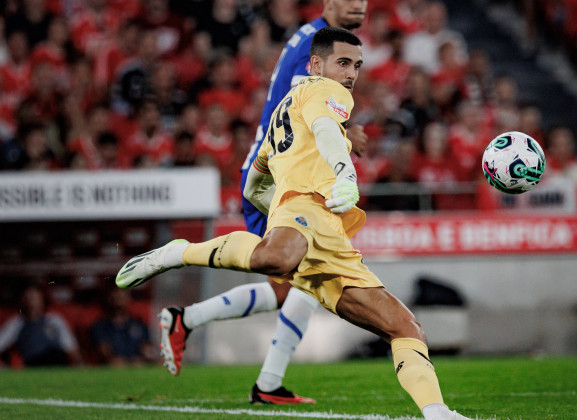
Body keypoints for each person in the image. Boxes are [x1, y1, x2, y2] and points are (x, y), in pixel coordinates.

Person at [117, 27, 472, 420]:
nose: (351, 73)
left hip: (330, 238)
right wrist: (345, 175)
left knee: (405, 327)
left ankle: (438, 412)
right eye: (342, 63)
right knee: (276, 259)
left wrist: (276, 206)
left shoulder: (286, 109)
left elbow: (254, 183)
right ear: (316, 64)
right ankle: (178, 252)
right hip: (307, 212)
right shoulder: (325, 92)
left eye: (356, 65)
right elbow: (325, 131)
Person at [154, 0, 369, 406]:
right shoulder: (311, 45)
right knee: (309, 275)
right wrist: (347, 132)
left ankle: (191, 323)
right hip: (276, 174)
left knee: (294, 284)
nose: (358, 4)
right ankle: (263, 378)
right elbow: (299, 105)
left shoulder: (320, 42)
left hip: (284, 172)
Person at [0, 285, 82, 367]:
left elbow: (71, 348)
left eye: (35, 298)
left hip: (58, 364)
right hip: (34, 365)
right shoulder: (16, 323)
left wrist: (80, 365)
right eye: (28, 298)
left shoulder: (55, 320)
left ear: (42, 300)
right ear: (22, 301)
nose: (31, 303)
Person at [91, 289, 156, 367]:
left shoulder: (139, 325)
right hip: (116, 366)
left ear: (129, 299)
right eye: (116, 297)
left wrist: (149, 355)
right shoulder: (101, 326)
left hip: (138, 363)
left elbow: (147, 349)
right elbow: (106, 355)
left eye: (122, 297)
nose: (119, 300)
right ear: (109, 299)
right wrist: (130, 362)